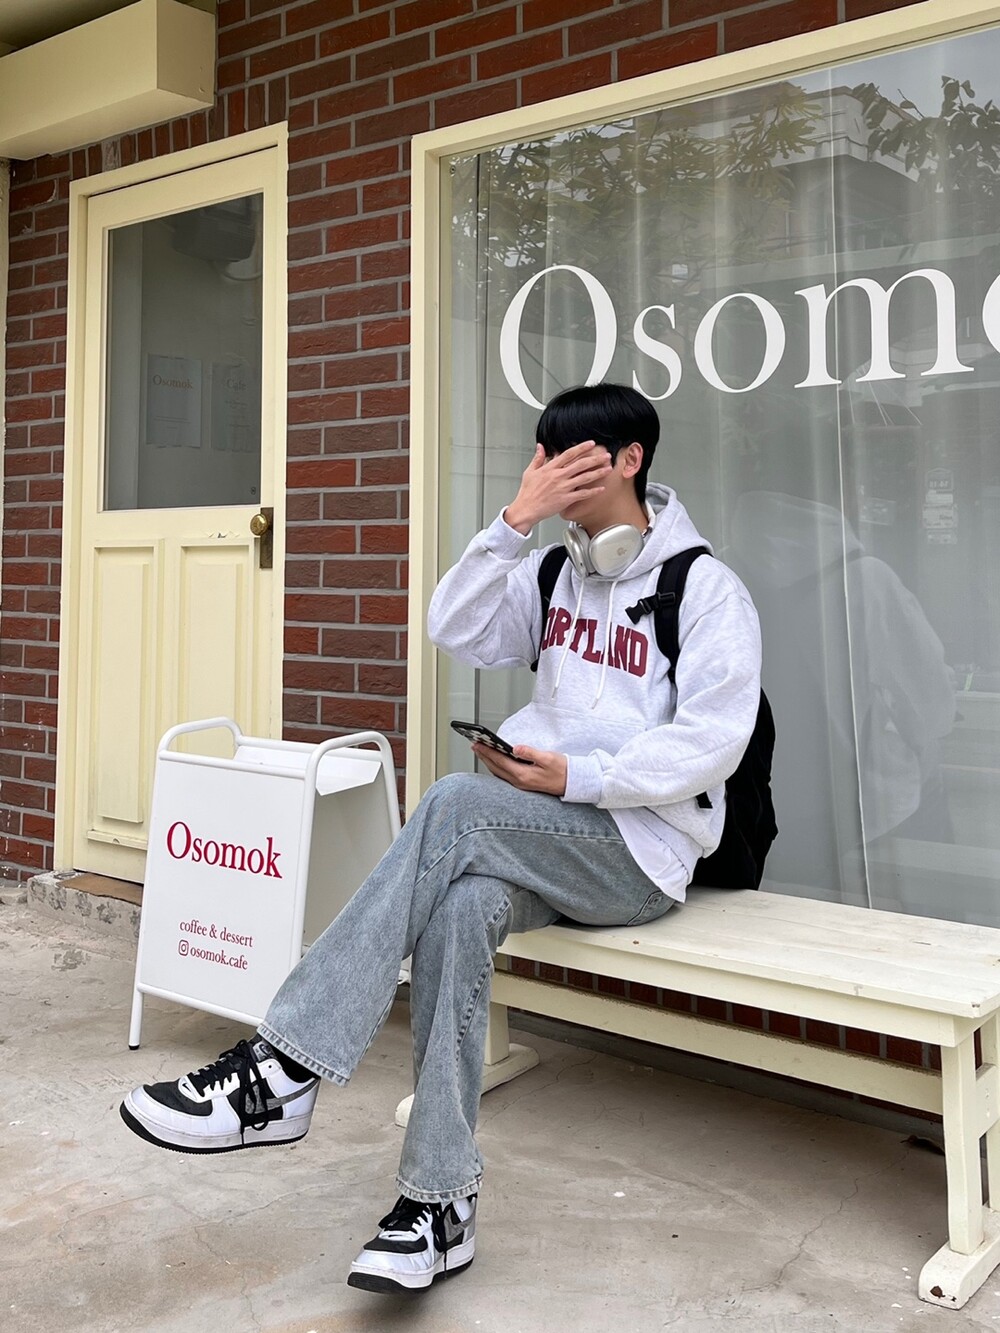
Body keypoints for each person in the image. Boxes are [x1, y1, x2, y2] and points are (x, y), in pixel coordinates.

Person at [120, 382, 762, 1296]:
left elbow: (714, 741)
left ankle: (284, 1066)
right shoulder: (554, 571)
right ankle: (438, 1203)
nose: (555, 477)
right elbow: (451, 625)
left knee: (456, 802)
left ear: (631, 461)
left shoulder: (704, 590)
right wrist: (512, 524)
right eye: (545, 459)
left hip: (639, 855)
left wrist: (575, 777)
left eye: (575, 461)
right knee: (462, 909)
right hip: (543, 834)